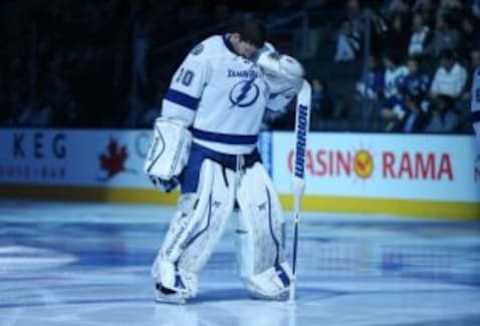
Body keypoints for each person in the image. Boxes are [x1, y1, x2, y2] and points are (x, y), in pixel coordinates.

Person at [145, 18, 304, 303]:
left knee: (266, 215)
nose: (250, 52)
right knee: (200, 219)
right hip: (208, 152)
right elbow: (178, 105)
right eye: (247, 46)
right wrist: (167, 156)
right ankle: (170, 272)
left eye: (256, 47)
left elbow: (271, 105)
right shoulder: (205, 55)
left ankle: (264, 272)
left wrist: (289, 86)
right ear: (235, 36)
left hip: (248, 154)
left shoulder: (265, 56)